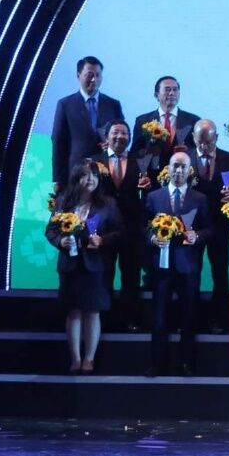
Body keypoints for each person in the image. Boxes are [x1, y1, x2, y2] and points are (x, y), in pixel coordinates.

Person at [46, 159, 123, 373]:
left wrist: (102, 240)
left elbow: (120, 232)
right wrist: (61, 241)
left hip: (95, 266)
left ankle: (89, 358)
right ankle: (75, 358)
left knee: (92, 312)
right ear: (76, 178)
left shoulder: (108, 204)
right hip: (70, 265)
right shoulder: (63, 202)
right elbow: (50, 231)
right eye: (86, 175)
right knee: (73, 312)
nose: (90, 180)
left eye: (94, 176)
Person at [143, 150, 209, 377]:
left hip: (188, 266)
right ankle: (157, 364)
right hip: (161, 268)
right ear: (168, 169)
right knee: (159, 318)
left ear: (189, 171)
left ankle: (186, 364)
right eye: (175, 166)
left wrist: (197, 236)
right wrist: (152, 238)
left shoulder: (200, 199)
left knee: (188, 316)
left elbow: (210, 229)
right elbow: (142, 227)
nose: (179, 170)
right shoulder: (154, 197)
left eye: (183, 167)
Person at [189, 119, 229, 333]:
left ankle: (220, 320)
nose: (204, 146)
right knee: (191, 273)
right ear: (193, 138)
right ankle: (191, 320)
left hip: (219, 223)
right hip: (192, 225)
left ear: (217, 138)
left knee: (220, 273)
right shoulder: (186, 158)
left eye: (209, 142)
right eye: (200, 142)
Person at [93, 119, 145, 331]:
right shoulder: (94, 161)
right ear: (107, 136)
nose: (119, 137)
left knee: (131, 277)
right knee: (104, 275)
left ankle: (130, 320)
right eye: (115, 132)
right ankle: (104, 320)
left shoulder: (140, 160)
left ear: (130, 137)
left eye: (124, 133)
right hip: (104, 229)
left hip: (132, 228)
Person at [51, 56, 125, 190]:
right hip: (76, 172)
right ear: (78, 75)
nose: (94, 79)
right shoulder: (65, 104)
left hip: (108, 172)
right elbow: (58, 142)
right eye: (89, 75)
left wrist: (113, 144)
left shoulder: (113, 104)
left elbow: (124, 135)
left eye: (98, 75)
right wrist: (58, 179)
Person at [131, 75, 200, 168]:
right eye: (167, 90)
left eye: (175, 90)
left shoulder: (193, 120)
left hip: (181, 172)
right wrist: (149, 151)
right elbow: (135, 152)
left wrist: (188, 151)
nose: (171, 93)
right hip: (152, 172)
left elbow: (200, 151)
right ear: (156, 95)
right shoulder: (143, 121)